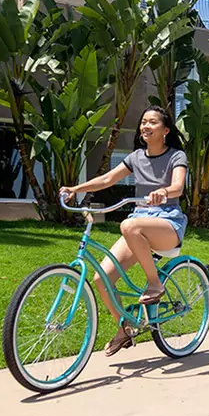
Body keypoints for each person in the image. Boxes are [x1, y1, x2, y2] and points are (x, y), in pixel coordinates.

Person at [60, 107, 188, 356]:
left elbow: (178, 187)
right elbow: (107, 180)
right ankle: (125, 327)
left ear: (166, 130)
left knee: (129, 225)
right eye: (143, 122)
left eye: (152, 122)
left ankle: (154, 283)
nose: (145, 126)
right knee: (101, 279)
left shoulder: (176, 156)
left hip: (168, 222)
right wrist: (76, 188)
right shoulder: (136, 157)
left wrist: (163, 192)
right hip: (140, 220)